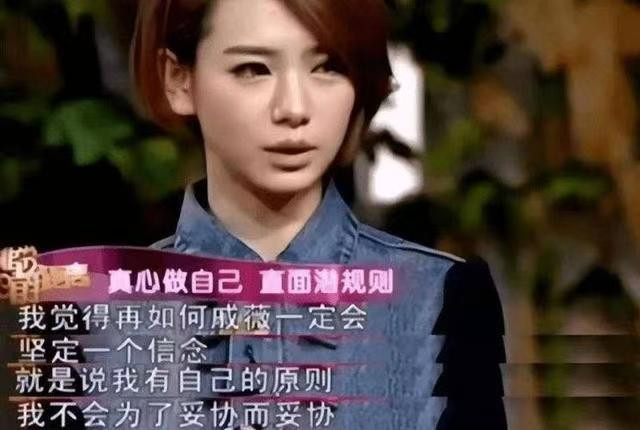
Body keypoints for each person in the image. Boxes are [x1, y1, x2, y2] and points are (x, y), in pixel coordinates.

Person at [130, 0, 507, 428]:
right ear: (178, 79)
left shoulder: (438, 295)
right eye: (253, 69)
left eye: (328, 67)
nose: (294, 108)